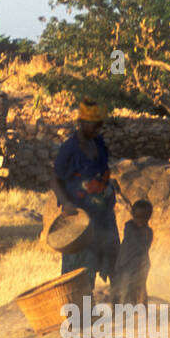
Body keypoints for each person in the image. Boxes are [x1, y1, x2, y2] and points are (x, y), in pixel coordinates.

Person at [52, 98, 119, 288]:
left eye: (99, 126)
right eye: (94, 125)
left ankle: (120, 305)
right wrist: (65, 202)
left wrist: (108, 183)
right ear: (80, 123)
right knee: (82, 267)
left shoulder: (98, 143)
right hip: (82, 218)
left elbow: (99, 170)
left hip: (104, 215)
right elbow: (55, 179)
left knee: (113, 256)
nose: (97, 129)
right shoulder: (69, 149)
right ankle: (82, 310)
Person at [112, 198, 153, 306]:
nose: (140, 220)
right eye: (137, 217)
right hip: (125, 264)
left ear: (148, 218)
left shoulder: (148, 232)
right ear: (133, 215)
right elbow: (136, 243)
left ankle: (142, 312)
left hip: (140, 266)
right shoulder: (129, 227)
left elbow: (143, 247)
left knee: (141, 289)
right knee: (123, 289)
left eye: (144, 217)